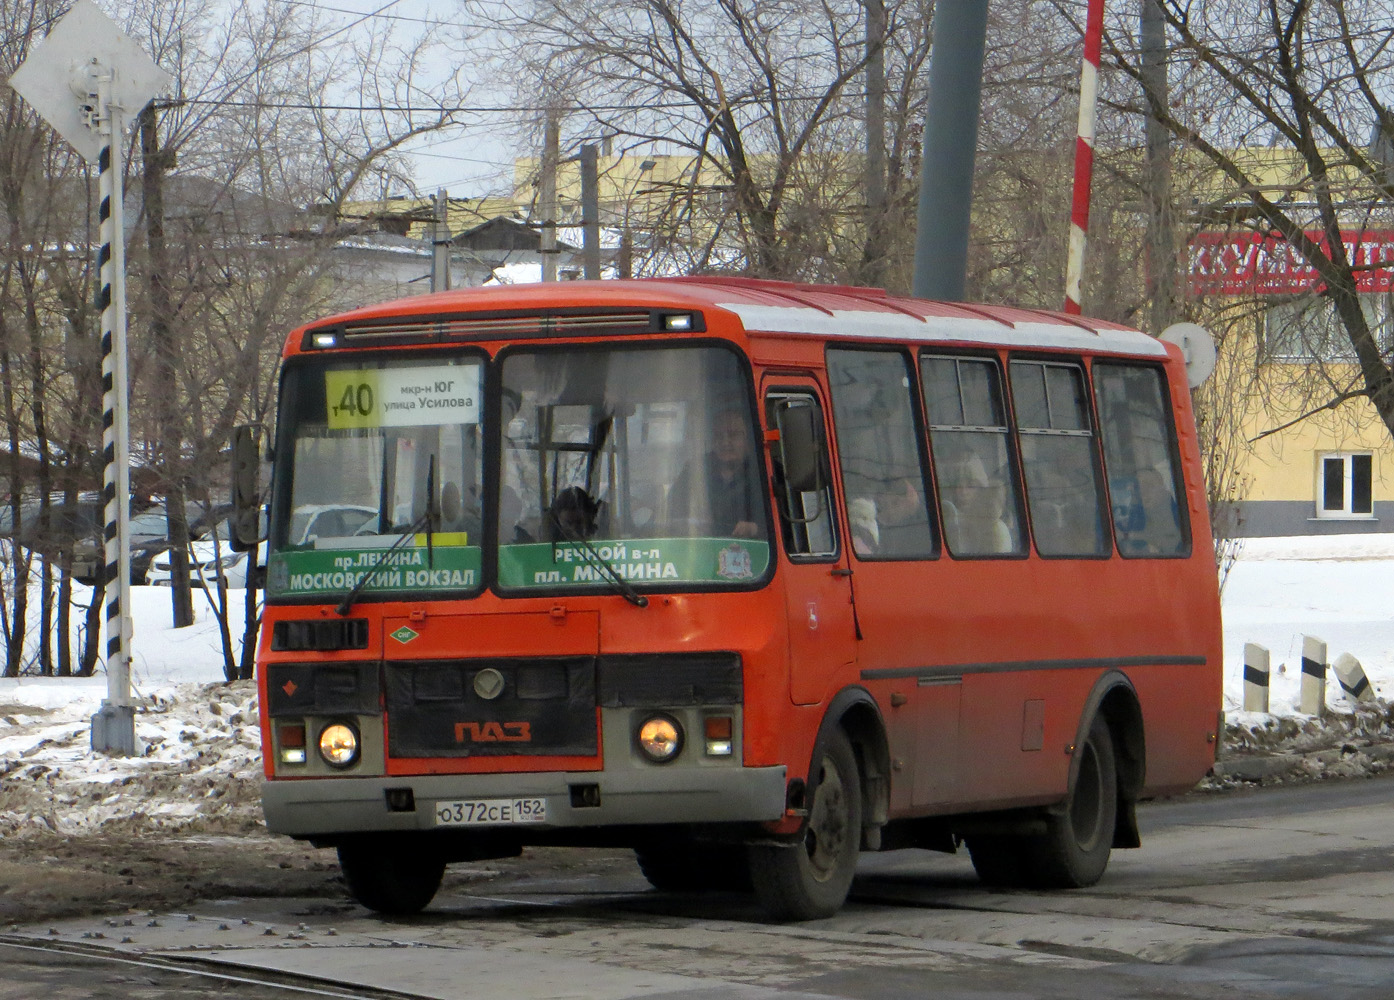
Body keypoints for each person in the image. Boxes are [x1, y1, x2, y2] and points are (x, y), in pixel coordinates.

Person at [668, 408, 766, 539]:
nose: (725, 442)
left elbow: (787, 529)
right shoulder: (694, 470)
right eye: (719, 436)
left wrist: (755, 529)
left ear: (748, 439)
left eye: (733, 435)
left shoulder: (764, 470)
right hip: (697, 550)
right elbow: (670, 512)